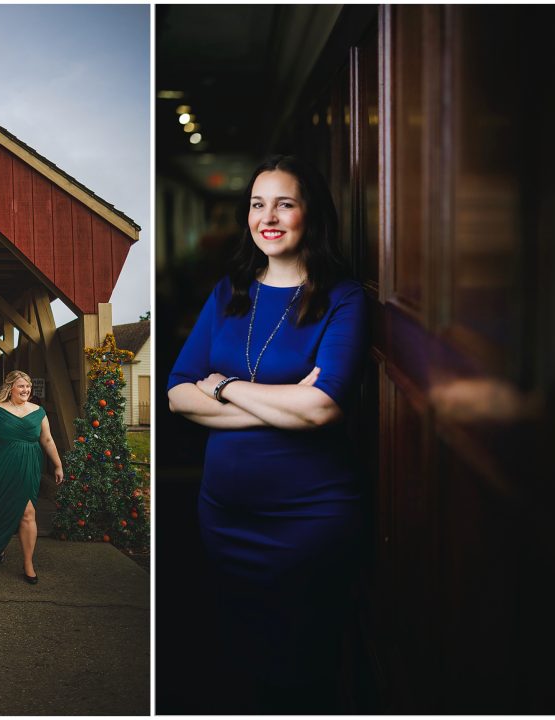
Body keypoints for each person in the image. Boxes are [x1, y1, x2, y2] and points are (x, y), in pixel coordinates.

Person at [166, 155, 368, 713]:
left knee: (302, 671)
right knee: (241, 665)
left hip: (308, 519)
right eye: (258, 204)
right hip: (224, 516)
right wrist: (281, 404)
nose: (268, 217)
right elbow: (178, 393)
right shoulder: (228, 292)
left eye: (285, 203)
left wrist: (226, 386)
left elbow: (323, 409)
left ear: (311, 214)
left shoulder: (342, 298)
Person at [0, 370, 64, 583]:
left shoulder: (38, 411)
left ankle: (28, 563)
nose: (26, 390)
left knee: (28, 511)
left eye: (28, 386)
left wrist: (58, 465)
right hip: (1, 465)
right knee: (0, 509)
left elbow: (47, 440)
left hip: (29, 464)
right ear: (10, 387)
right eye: (21, 386)